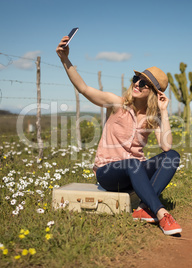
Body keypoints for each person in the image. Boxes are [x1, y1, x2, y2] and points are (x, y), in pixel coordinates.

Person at [56, 36, 182, 235]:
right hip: (108, 173)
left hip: (135, 172)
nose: (137, 84)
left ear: (154, 94)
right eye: (136, 79)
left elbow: (165, 147)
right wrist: (65, 59)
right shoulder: (117, 104)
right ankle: (160, 213)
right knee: (133, 163)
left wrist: (164, 111)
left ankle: (143, 208)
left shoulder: (152, 117)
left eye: (144, 83)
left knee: (173, 156)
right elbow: (84, 88)